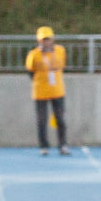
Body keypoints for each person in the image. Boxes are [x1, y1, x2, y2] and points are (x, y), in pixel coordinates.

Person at [25, 26, 70, 156]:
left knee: (60, 118)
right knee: (42, 120)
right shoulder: (34, 55)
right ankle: (43, 146)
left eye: (48, 39)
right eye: (43, 40)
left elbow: (62, 66)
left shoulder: (60, 51)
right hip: (40, 91)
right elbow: (30, 71)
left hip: (57, 90)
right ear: (39, 41)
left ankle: (63, 145)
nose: (46, 42)